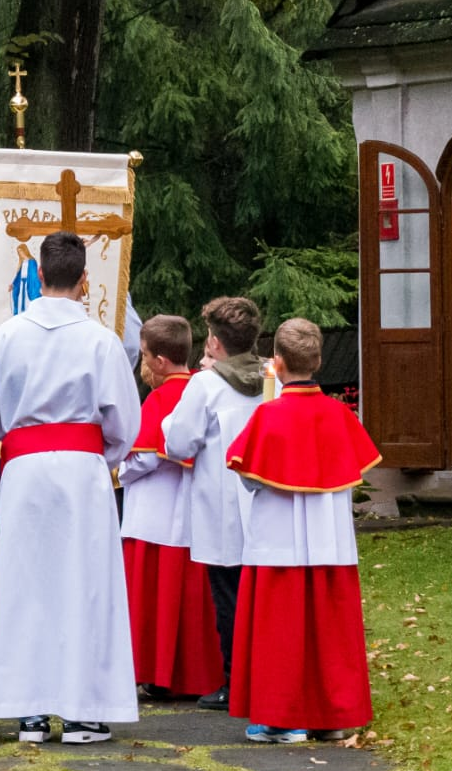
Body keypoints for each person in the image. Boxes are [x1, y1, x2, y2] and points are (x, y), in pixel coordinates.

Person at [0, 231, 142, 745]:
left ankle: (29, 710)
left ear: (40, 276)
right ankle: (82, 712)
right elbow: (123, 421)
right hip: (81, 472)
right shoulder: (100, 340)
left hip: (26, 472)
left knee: (26, 583)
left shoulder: (6, 336)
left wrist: (28, 442)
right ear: (84, 280)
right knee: (83, 583)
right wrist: (95, 457)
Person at [223, 319, 379, 744]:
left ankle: (281, 719)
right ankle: (332, 717)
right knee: (329, 629)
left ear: (277, 363)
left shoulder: (268, 416)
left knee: (280, 631)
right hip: (330, 542)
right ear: (320, 361)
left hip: (277, 541)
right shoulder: (339, 414)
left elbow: (250, 477)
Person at [159, 295, 267, 712]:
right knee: (255, 591)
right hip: (260, 498)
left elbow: (179, 441)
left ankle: (232, 678)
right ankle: (259, 671)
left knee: (227, 596)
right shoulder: (269, 378)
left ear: (216, 344)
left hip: (219, 503)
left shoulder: (205, 385)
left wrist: (170, 420)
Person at [119, 315, 224, 701]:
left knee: (154, 599)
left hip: (155, 512)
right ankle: (194, 675)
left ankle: (157, 673)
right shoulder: (206, 388)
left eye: (144, 355)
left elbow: (146, 456)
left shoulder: (161, 398)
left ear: (159, 361)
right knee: (192, 601)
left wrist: (119, 469)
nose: (142, 362)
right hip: (196, 512)